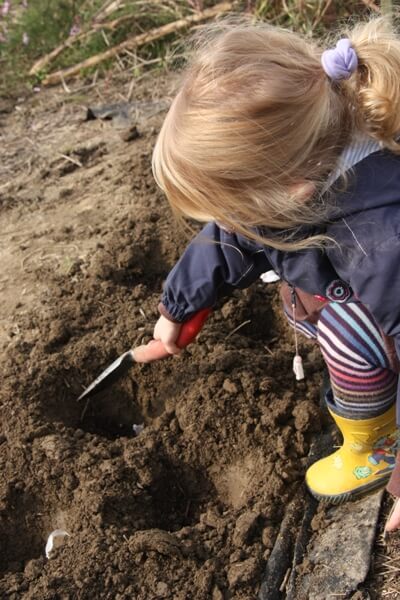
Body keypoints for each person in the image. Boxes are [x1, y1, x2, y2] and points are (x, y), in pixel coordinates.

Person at [150, 17, 400, 531]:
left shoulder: (382, 243)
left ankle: (374, 445)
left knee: (350, 337)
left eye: (233, 205)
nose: (232, 220)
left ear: (291, 190)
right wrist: (180, 306)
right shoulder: (309, 155)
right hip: (355, 290)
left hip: (386, 317)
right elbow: (235, 234)